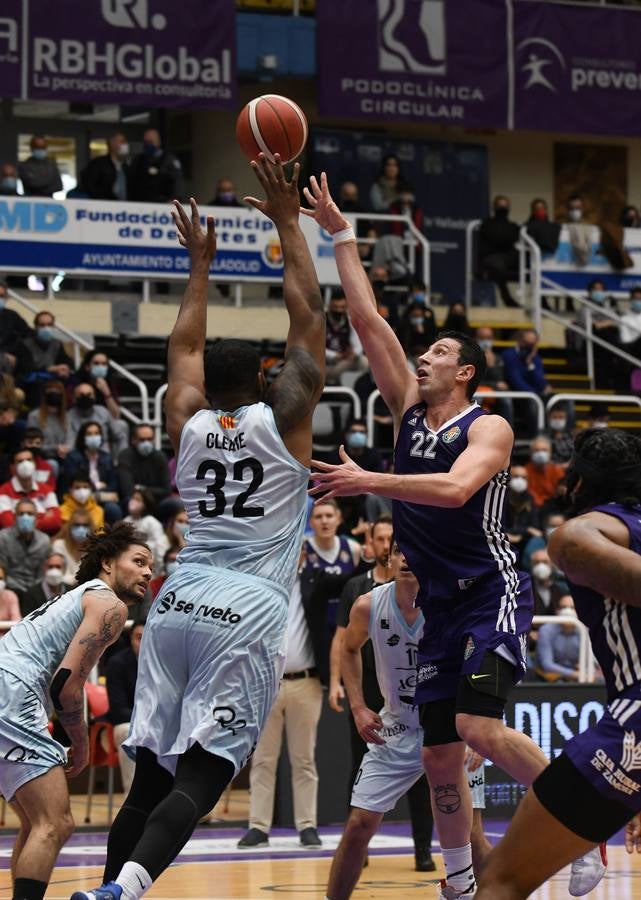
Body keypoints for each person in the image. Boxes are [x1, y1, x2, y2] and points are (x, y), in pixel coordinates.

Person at [302, 172, 601, 899]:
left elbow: (455, 490)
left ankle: (586, 830)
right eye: (424, 351)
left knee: (474, 727)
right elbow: (368, 319)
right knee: (438, 756)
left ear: (463, 372)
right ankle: (461, 884)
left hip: (489, 592)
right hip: (436, 601)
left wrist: (369, 481)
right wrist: (338, 235)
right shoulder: (407, 408)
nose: (422, 355)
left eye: (436, 350)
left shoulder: (488, 424)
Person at [72, 154, 325, 900]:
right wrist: (286, 220)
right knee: (205, 773)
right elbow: (309, 318)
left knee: (148, 777)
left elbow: (180, 347)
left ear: (206, 382)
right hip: (244, 606)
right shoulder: (285, 417)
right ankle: (126, 890)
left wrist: (199, 266)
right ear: (266, 378)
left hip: (177, 598)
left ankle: (105, 888)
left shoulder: (183, 418)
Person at [475, 426, 641, 899]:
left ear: (581, 484)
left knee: (500, 881)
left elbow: (576, 546)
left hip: (635, 717)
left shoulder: (578, 532)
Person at [0, 523, 151, 900]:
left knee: (36, 822)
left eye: (151, 565)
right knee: (56, 822)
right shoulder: (109, 605)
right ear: (107, 563)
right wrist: (79, 741)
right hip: (13, 691)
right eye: (138, 561)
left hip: (8, 686)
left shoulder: (78, 597)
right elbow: (66, 684)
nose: (148, 572)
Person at [237, 546, 326, 849]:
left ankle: (307, 825)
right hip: (265, 683)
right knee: (263, 758)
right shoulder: (262, 586)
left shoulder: (316, 581)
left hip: (306, 680)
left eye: (298, 548)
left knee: (304, 759)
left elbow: (348, 580)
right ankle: (258, 826)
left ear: (303, 554)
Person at [105, 621, 146, 795]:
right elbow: (118, 710)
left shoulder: (168, 662)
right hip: (120, 726)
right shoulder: (117, 663)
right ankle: (134, 803)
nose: (144, 642)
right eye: (139, 638)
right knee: (129, 731)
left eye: (148, 637)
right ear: (130, 639)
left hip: (155, 725)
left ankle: (193, 807)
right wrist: (150, 720)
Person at [502, 329, 551, 437]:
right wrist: (537, 393)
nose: (528, 346)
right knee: (534, 401)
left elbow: (541, 384)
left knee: (561, 401)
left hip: (533, 395)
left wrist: (530, 364)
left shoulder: (535, 359)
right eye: (525, 343)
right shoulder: (509, 355)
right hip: (516, 397)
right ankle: (537, 437)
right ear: (519, 341)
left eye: (531, 344)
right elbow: (516, 382)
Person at [0, 448, 61, 535]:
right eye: (20, 461)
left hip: (43, 540)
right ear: (12, 467)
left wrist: (24, 523)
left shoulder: (46, 490)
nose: (26, 464)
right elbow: (8, 524)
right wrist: (43, 518)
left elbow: (56, 522)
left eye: (29, 460)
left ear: (34, 464)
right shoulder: (3, 492)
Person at [477, 195, 520, 308]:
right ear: (494, 207)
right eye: (500, 206)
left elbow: (511, 241)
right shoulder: (486, 224)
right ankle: (507, 298)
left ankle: (540, 301)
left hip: (508, 257)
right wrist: (504, 242)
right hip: (491, 257)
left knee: (529, 261)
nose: (502, 208)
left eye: (505, 206)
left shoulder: (513, 226)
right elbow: (495, 241)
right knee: (498, 265)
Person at [117, 424, 171, 510]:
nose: (146, 443)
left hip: (156, 501)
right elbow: (127, 489)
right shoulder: (125, 456)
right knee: (129, 502)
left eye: (149, 439)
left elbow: (166, 490)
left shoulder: (160, 457)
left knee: (175, 503)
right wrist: (149, 491)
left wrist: (141, 488)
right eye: (142, 440)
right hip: (132, 500)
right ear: (133, 440)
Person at [127, 129, 184, 204]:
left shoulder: (169, 160)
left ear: (158, 142)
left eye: (150, 142)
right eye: (145, 142)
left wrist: (175, 200)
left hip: (162, 205)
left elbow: (178, 182)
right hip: (139, 205)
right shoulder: (138, 160)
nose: (147, 145)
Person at [535, 594, 581, 682]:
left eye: (572, 607)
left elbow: (592, 661)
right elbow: (547, 665)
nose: (568, 611)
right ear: (557, 610)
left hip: (578, 675)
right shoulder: (546, 630)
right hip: (550, 677)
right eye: (563, 607)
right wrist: (572, 674)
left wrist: (584, 668)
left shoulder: (584, 630)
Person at [26, 380, 70, 465]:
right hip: (43, 456)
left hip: (64, 455)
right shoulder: (34, 416)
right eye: (50, 391)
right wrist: (56, 448)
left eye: (57, 391)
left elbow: (70, 439)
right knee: (52, 464)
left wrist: (66, 448)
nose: (54, 393)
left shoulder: (67, 416)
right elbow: (32, 443)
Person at [81, 133, 130, 201]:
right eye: (122, 142)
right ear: (112, 144)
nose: (125, 145)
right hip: (103, 206)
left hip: (125, 206)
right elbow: (89, 185)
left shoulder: (127, 166)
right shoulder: (99, 164)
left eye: (125, 142)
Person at [19, 552, 67, 617]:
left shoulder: (72, 591)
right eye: (50, 567)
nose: (54, 571)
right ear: (44, 568)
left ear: (64, 569)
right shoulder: (31, 594)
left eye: (58, 567)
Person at [52, 512, 93, 586]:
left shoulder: (94, 549)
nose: (81, 529)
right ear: (69, 527)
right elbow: (58, 576)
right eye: (77, 525)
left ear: (91, 528)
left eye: (85, 525)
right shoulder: (59, 545)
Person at [525, 435, 565, 508]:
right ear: (531, 453)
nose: (541, 453)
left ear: (550, 452)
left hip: (553, 507)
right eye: (537, 450)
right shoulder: (525, 472)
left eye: (544, 450)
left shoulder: (557, 470)